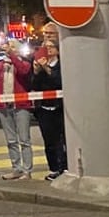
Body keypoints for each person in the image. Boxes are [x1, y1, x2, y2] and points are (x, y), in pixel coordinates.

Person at [0, 39, 34, 180]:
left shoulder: (24, 62)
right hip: (4, 105)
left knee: (24, 140)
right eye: (7, 47)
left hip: (21, 104)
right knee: (11, 140)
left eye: (12, 47)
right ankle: (16, 168)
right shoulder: (1, 65)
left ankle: (27, 171)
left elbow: (23, 71)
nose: (8, 49)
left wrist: (12, 55)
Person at [31, 38, 67, 181]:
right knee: (49, 140)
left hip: (60, 107)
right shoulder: (39, 65)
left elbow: (59, 82)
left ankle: (64, 167)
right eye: (46, 47)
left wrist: (47, 69)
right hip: (44, 108)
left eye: (51, 47)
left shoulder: (62, 65)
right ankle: (53, 168)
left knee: (63, 140)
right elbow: (35, 86)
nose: (49, 50)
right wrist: (37, 71)